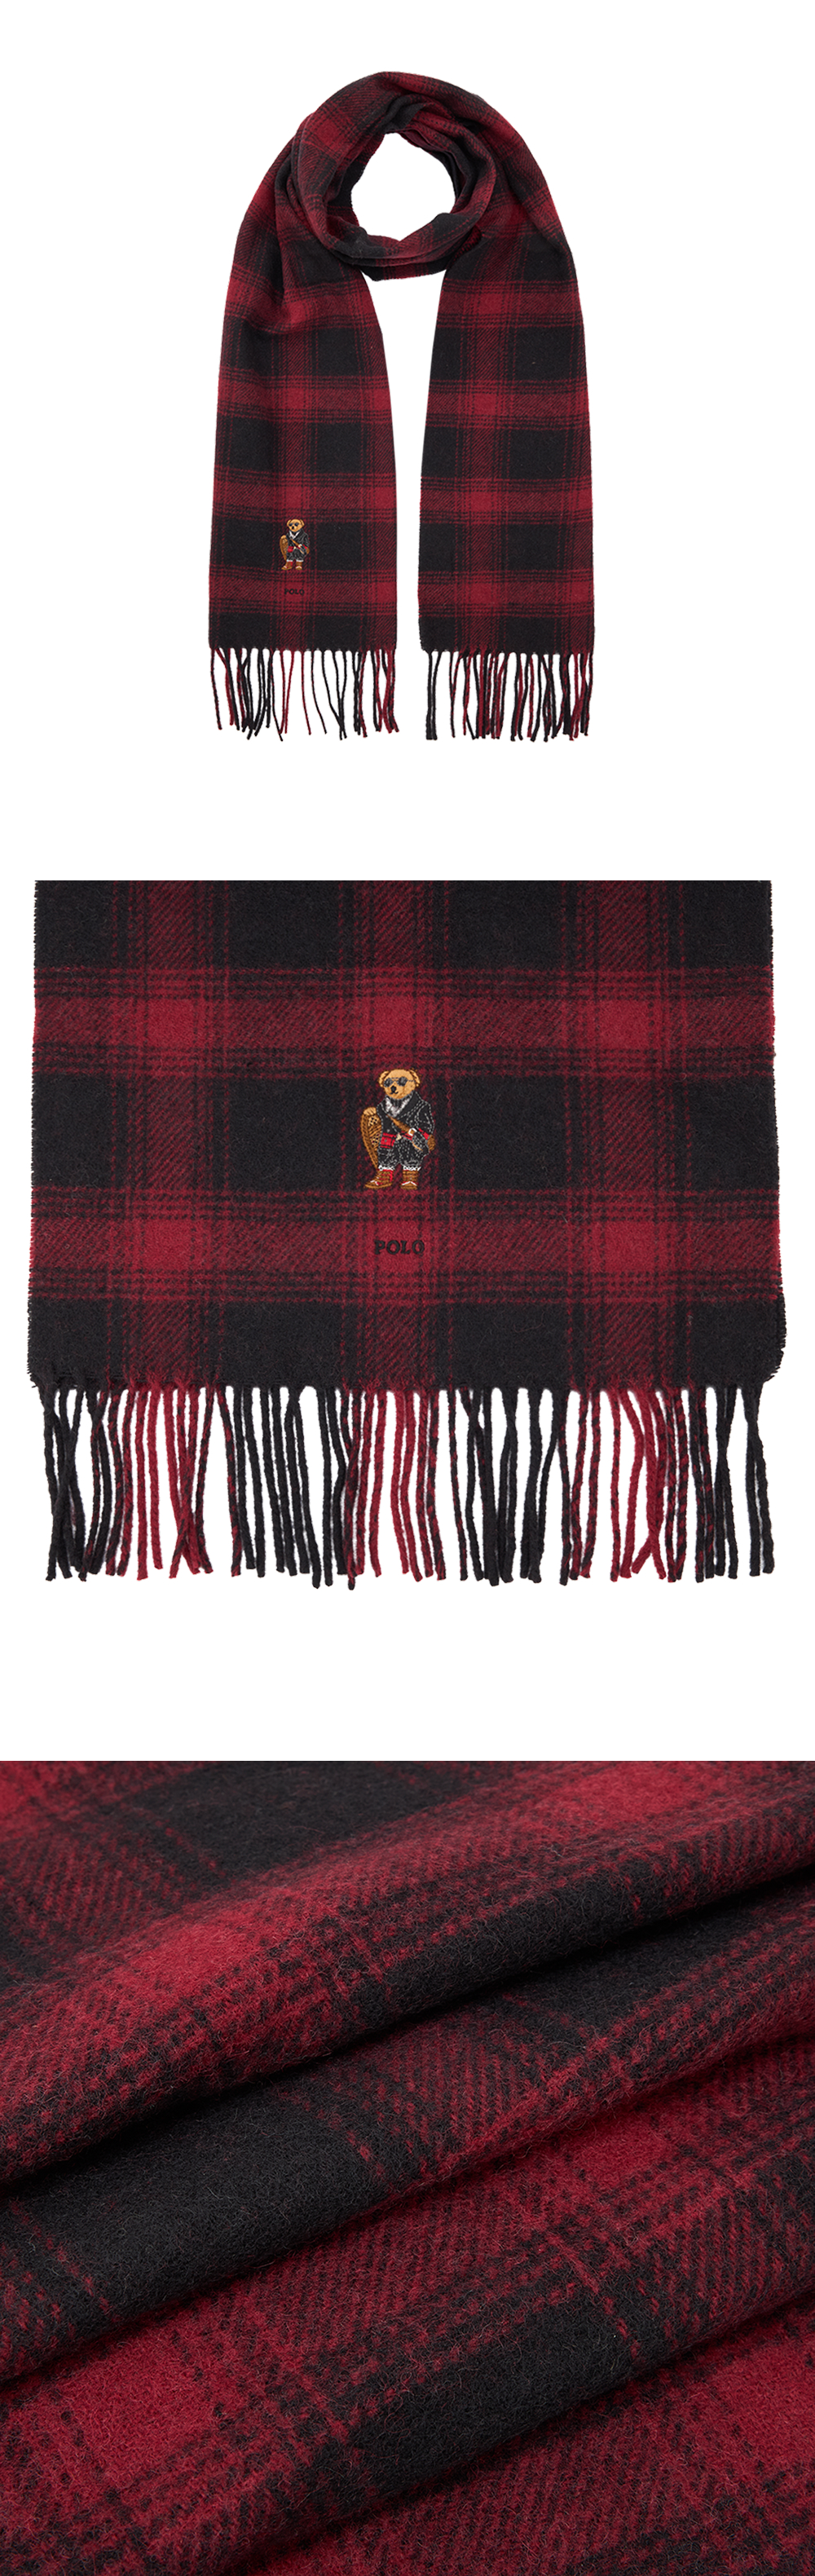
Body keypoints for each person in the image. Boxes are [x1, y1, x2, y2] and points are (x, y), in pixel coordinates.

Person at [361, 1069, 435, 1191]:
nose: (393, 1086)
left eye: (402, 1081)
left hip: (410, 1139)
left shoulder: (421, 1106)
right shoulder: (383, 1106)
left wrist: (415, 1134)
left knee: (410, 1154)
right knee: (386, 1154)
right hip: (390, 1137)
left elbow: (427, 1126)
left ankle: (410, 1177)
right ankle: (385, 1176)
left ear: (414, 1083)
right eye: (388, 1083)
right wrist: (372, 1112)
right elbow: (380, 1116)